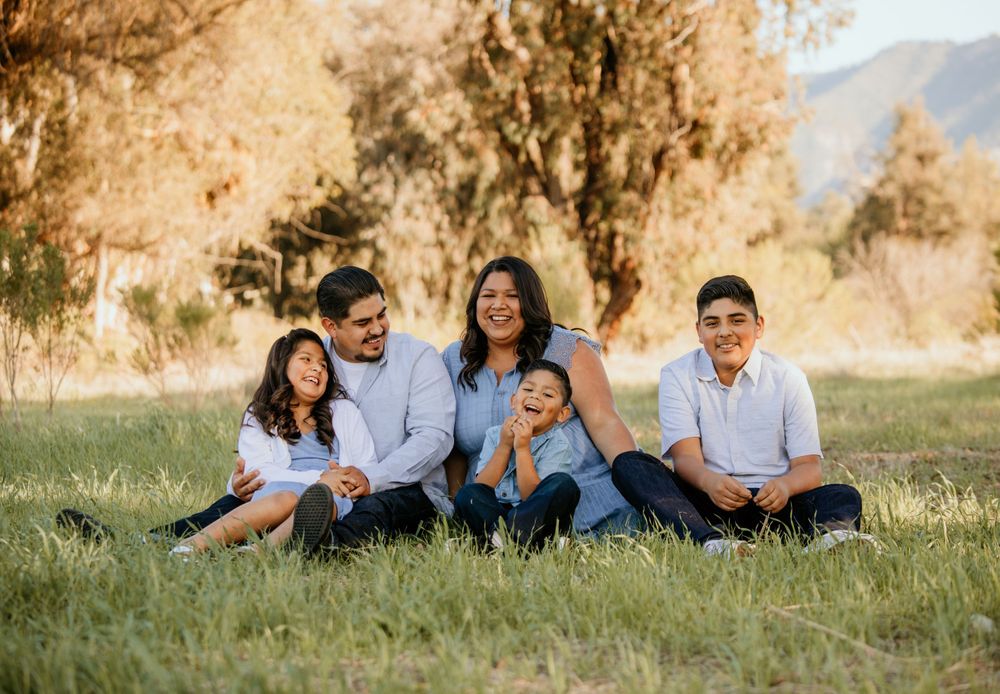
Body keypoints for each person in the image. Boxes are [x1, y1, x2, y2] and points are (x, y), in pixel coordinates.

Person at [59, 267, 456, 552]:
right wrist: (241, 483)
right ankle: (143, 543)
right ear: (331, 326)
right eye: (363, 322)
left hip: (404, 488)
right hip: (314, 486)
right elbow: (269, 437)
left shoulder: (416, 357)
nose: (379, 328)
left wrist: (370, 477)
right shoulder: (311, 361)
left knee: (368, 509)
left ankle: (290, 548)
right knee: (243, 502)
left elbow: (435, 438)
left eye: (382, 314)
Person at [611, 275, 877, 557]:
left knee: (843, 495)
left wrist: (785, 486)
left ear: (758, 325)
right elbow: (686, 459)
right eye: (712, 323)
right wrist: (709, 482)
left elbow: (809, 468)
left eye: (737, 321)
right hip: (707, 502)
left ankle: (829, 540)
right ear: (699, 331)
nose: (725, 332)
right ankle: (711, 542)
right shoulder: (677, 375)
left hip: (774, 505)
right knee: (630, 465)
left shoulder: (788, 378)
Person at [441, 256, 640, 537]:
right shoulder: (453, 359)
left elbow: (605, 423)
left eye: (512, 296)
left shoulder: (566, 349)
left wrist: (642, 485)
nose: (498, 305)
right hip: (494, 500)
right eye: (488, 296)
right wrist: (457, 509)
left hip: (572, 492)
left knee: (559, 496)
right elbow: (452, 448)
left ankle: (515, 536)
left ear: (530, 302)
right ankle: (510, 535)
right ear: (475, 304)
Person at [170, 328, 375, 555]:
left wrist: (348, 480)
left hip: (332, 497)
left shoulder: (345, 411)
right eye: (306, 359)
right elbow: (258, 473)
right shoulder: (260, 415)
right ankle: (191, 546)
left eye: (323, 365)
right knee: (287, 498)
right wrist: (320, 479)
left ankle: (257, 553)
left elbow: (366, 466)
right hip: (277, 495)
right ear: (283, 365)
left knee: (321, 503)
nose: (317, 368)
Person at [454, 359, 580, 549]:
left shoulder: (558, 445)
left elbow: (532, 496)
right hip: (496, 512)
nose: (535, 396)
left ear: (562, 414)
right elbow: (484, 485)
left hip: (537, 518)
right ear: (514, 401)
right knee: (467, 494)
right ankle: (521, 543)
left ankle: (496, 542)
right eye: (528, 389)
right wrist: (504, 446)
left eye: (547, 394)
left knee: (564, 484)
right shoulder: (495, 435)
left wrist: (522, 449)